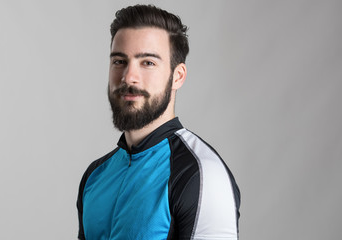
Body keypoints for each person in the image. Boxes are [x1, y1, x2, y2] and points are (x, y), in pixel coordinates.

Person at [77, 4, 240, 240]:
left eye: (148, 63)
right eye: (119, 61)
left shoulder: (201, 174)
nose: (128, 77)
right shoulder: (95, 175)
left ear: (178, 76)